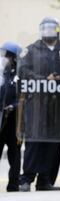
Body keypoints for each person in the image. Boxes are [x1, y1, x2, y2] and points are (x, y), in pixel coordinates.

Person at [18, 17, 60, 192]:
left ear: (58, 31)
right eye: (46, 29)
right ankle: (26, 179)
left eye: (52, 29)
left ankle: (44, 180)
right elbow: (23, 71)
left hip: (58, 107)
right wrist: (45, 80)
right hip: (37, 105)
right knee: (34, 141)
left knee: (52, 143)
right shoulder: (30, 51)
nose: (49, 32)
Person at [0, 42, 22, 192]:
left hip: (14, 121)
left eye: (7, 55)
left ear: (14, 58)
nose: (4, 58)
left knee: (14, 154)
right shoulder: (2, 74)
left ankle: (13, 184)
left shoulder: (20, 76)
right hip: (1, 120)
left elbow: (24, 98)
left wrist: (13, 106)